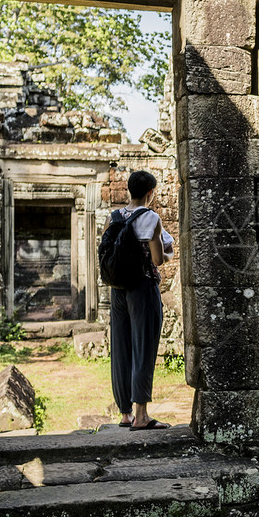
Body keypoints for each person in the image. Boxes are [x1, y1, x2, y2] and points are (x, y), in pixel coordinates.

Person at [103, 170, 175, 430]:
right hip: (142, 287)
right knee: (143, 348)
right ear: (150, 193)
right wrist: (168, 254)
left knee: (121, 348)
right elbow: (157, 259)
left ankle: (125, 413)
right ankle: (142, 415)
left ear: (128, 191)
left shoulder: (115, 217)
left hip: (118, 288)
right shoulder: (150, 218)